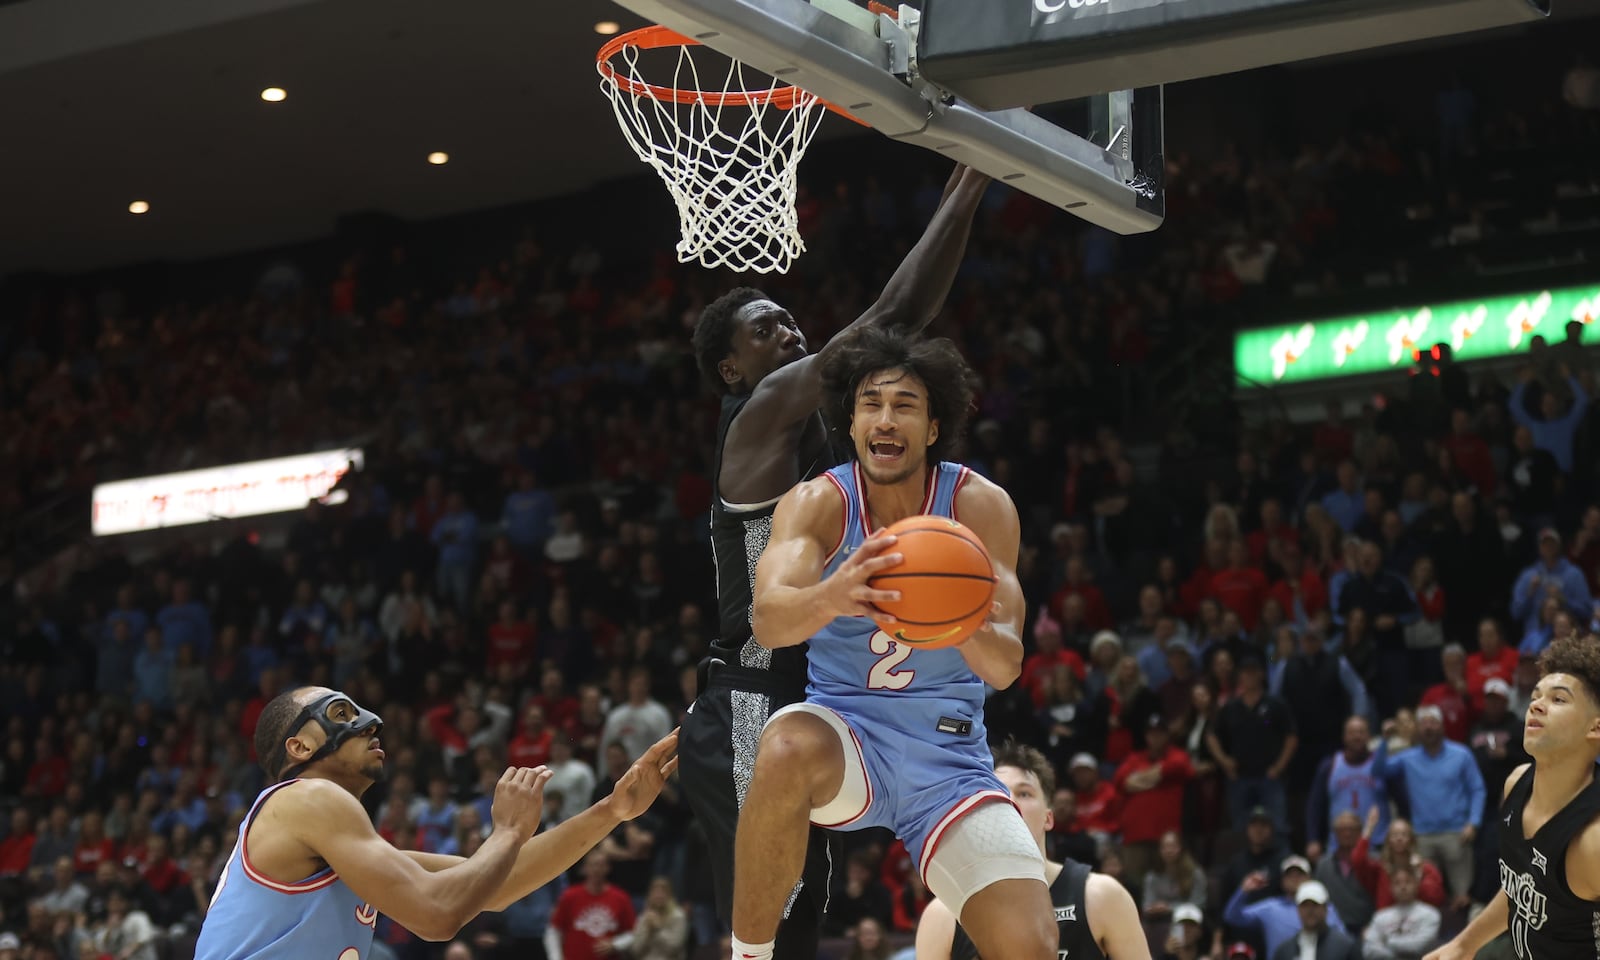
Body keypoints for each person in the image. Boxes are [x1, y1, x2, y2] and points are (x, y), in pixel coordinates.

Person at [681, 164, 991, 960]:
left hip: (814, 704)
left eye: (790, 317)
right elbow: (896, 315)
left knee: (803, 927)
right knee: (776, 936)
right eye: (765, 329)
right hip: (757, 698)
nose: (789, 330)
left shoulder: (831, 455)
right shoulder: (755, 423)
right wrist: (968, 183)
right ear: (731, 369)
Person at [730, 329, 1048, 960]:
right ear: (849, 423)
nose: (886, 418)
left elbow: (1006, 665)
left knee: (1031, 946)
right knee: (785, 744)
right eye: (871, 403)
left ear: (932, 428)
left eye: (905, 405)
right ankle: (748, 957)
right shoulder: (819, 504)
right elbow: (767, 623)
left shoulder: (980, 506)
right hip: (848, 739)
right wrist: (835, 594)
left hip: (949, 759)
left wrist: (958, 620)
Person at [193, 686, 677, 960]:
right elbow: (436, 916)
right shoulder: (309, 797)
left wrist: (611, 809)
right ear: (299, 747)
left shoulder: (334, 842)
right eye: (342, 713)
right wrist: (508, 831)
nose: (370, 721)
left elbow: (495, 883)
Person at [1424, 635, 1600, 960]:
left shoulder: (1592, 840)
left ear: (1595, 729)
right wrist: (1464, 944)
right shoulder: (1516, 784)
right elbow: (1522, 886)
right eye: (1535, 696)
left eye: (1559, 699)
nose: (1536, 704)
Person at [914, 740, 1152, 960]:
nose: (1009, 803)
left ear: (1049, 818)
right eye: (998, 792)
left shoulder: (1101, 896)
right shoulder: (943, 914)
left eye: (1024, 793)